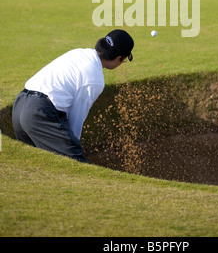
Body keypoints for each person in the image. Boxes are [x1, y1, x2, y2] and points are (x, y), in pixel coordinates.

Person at [12, 29, 134, 163]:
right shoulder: (95, 79)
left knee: (37, 165)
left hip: (19, 106)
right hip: (39, 114)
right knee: (75, 165)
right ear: (118, 59)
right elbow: (76, 118)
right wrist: (74, 149)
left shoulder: (79, 52)